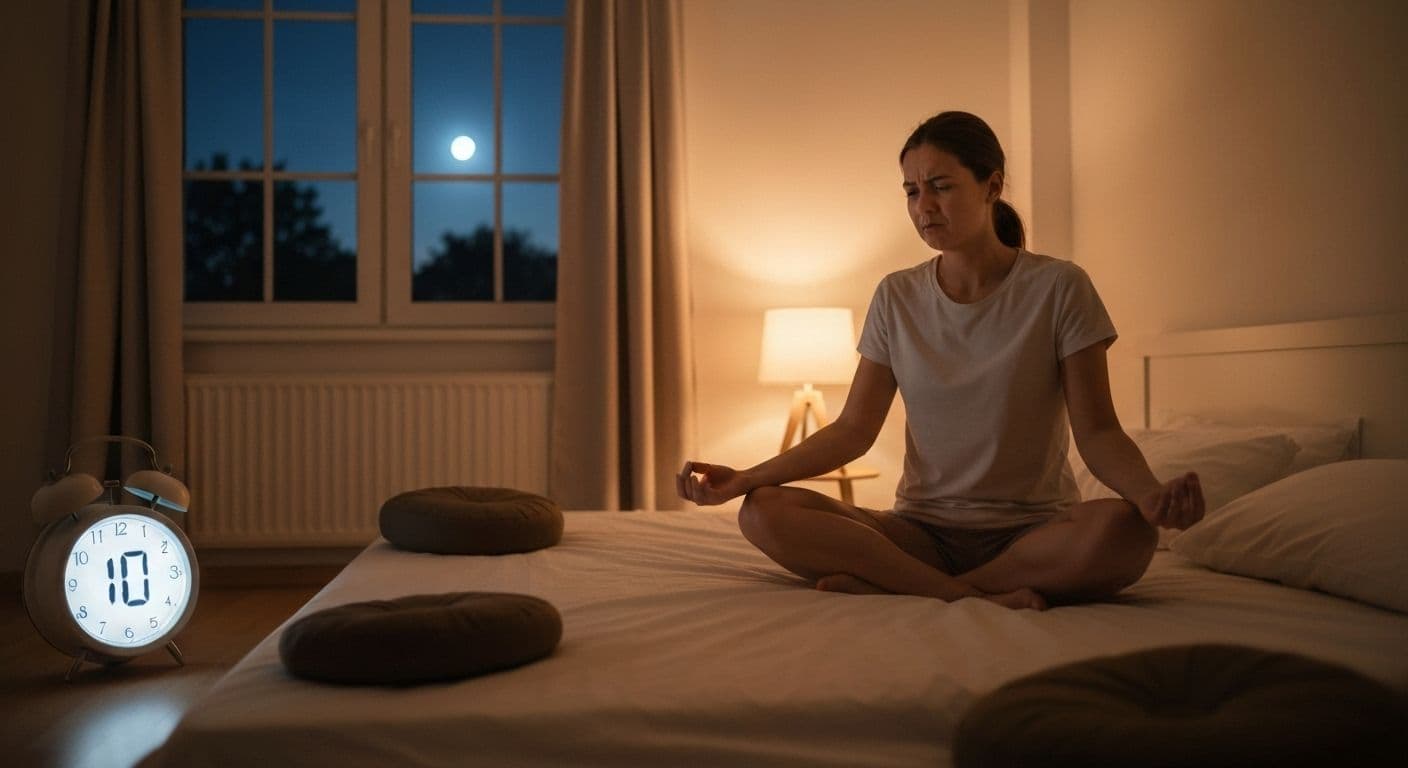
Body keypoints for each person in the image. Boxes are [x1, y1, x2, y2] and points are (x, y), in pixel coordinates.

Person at [676, 111, 1204, 610]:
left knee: (1128, 531)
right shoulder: (897, 296)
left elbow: (1100, 433)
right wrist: (745, 478)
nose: (923, 205)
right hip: (920, 533)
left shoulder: (1059, 287)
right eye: (912, 191)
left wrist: (1149, 495)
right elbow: (852, 430)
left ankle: (904, 588)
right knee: (766, 510)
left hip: (1032, 536)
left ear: (992, 186)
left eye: (941, 186)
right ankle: (962, 592)